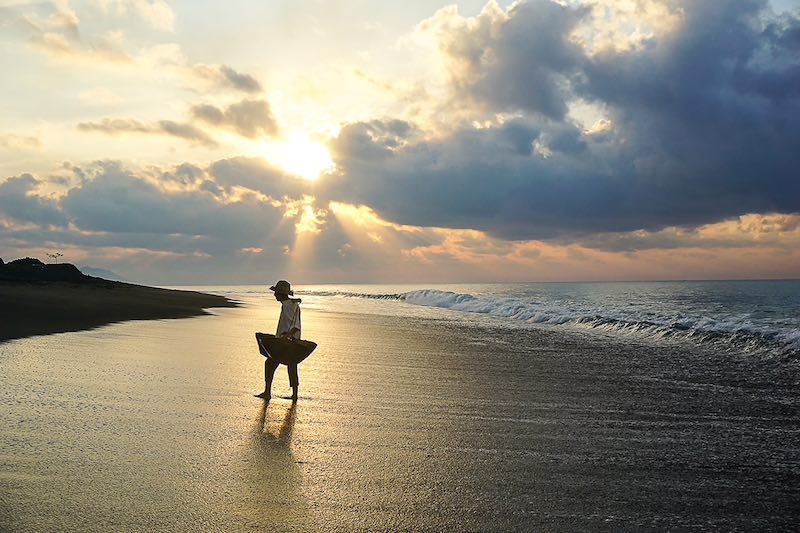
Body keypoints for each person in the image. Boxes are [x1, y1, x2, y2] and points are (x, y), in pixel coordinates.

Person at [256, 280, 302, 401]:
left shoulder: (289, 306)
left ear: (281, 294)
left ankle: (268, 392)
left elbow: (295, 326)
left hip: (287, 342)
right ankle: (294, 395)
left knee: (271, 363)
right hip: (290, 340)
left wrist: (286, 336)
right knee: (291, 366)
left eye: (276, 293)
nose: (274, 295)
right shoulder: (291, 304)